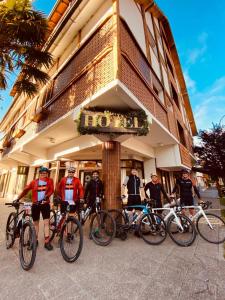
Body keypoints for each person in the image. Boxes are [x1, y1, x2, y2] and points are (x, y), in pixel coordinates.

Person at [16, 166, 54, 250]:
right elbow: (25, 190)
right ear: (39, 174)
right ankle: (35, 240)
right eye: (42, 173)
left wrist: (46, 196)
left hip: (45, 204)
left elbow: (51, 190)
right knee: (36, 223)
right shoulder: (33, 182)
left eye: (46, 173)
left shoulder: (50, 181)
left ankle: (47, 242)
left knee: (46, 223)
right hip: (35, 205)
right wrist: (18, 198)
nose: (44, 175)